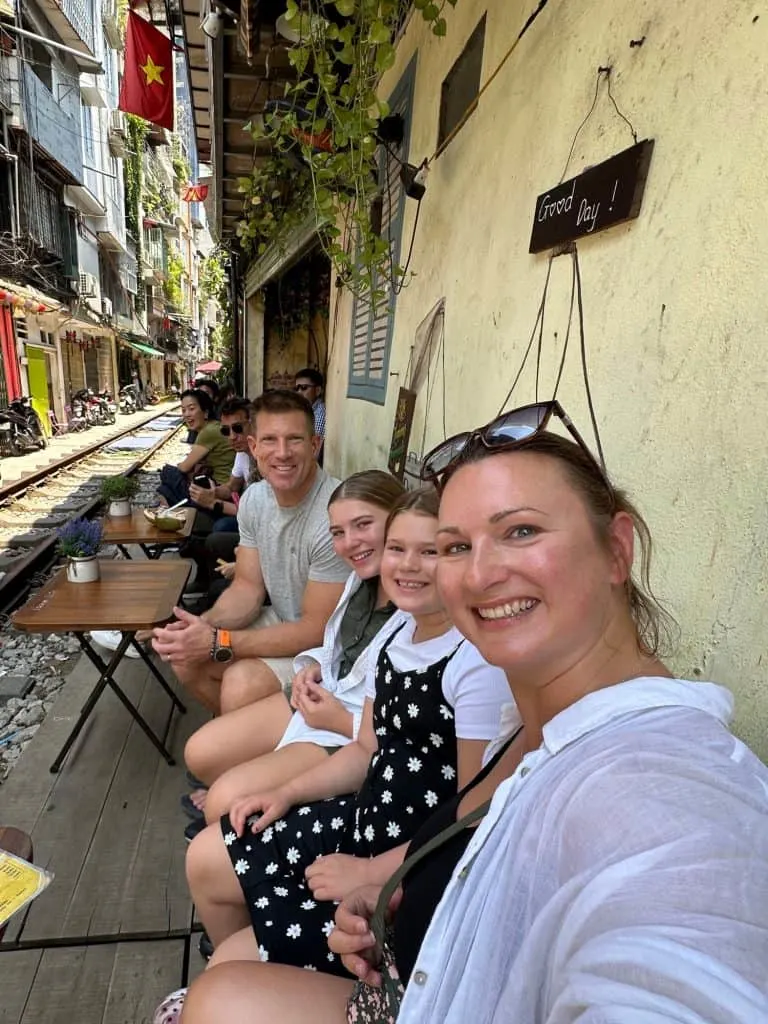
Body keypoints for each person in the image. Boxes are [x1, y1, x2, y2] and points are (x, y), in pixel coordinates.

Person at [179, 407, 768, 1024]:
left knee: (220, 992)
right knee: (221, 980)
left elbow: (686, 958)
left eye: (520, 532)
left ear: (616, 550)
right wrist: (400, 897)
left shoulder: (665, 783)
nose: (481, 573)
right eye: (458, 545)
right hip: (410, 963)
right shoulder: (544, 728)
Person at [153, 488, 511, 1022]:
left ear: (463, 558)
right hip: (366, 817)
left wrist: (370, 870)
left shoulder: (474, 662)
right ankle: (268, 952)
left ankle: (264, 963)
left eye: (432, 551)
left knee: (227, 965)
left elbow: (465, 819)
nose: (408, 566)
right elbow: (367, 747)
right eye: (397, 549)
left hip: (405, 854)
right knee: (206, 855)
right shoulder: (397, 629)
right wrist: (285, 793)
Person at [182, 469, 407, 827]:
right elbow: (336, 645)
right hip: (322, 696)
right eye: (338, 532)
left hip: (354, 729)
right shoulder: (361, 581)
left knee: (223, 802)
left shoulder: (415, 601)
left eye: (364, 525)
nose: (350, 542)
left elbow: (417, 724)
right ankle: (250, 785)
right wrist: (313, 668)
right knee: (199, 752)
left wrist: (342, 721)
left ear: (400, 520)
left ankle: (238, 818)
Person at [152, 390, 350, 714]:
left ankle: (244, 749)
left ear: (315, 445)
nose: (282, 453)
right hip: (282, 620)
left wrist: (219, 642)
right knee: (187, 659)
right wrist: (200, 626)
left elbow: (316, 630)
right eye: (270, 440)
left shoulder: (335, 515)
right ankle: (239, 743)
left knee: (240, 684)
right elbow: (247, 588)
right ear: (254, 447)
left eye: (295, 440)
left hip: (329, 649)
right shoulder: (256, 499)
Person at [156, 389, 235, 508]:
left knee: (168, 472)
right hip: (218, 483)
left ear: (205, 412)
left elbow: (184, 467)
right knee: (164, 488)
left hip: (219, 488)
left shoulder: (208, 432)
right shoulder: (214, 426)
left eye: (191, 409)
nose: (187, 414)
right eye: (183, 410)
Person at [295, 368, 326, 463]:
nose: (299, 392)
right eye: (297, 388)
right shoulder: (308, 412)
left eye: (304, 387)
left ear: (317, 390)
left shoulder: (319, 414)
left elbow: (313, 454)